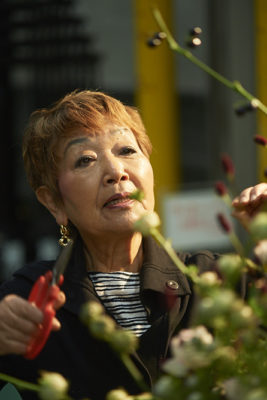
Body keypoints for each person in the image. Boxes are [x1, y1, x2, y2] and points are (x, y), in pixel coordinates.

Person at [0, 90, 266, 400]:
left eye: (127, 150)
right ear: (53, 202)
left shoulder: (219, 281)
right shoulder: (28, 301)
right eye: (85, 160)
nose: (116, 172)